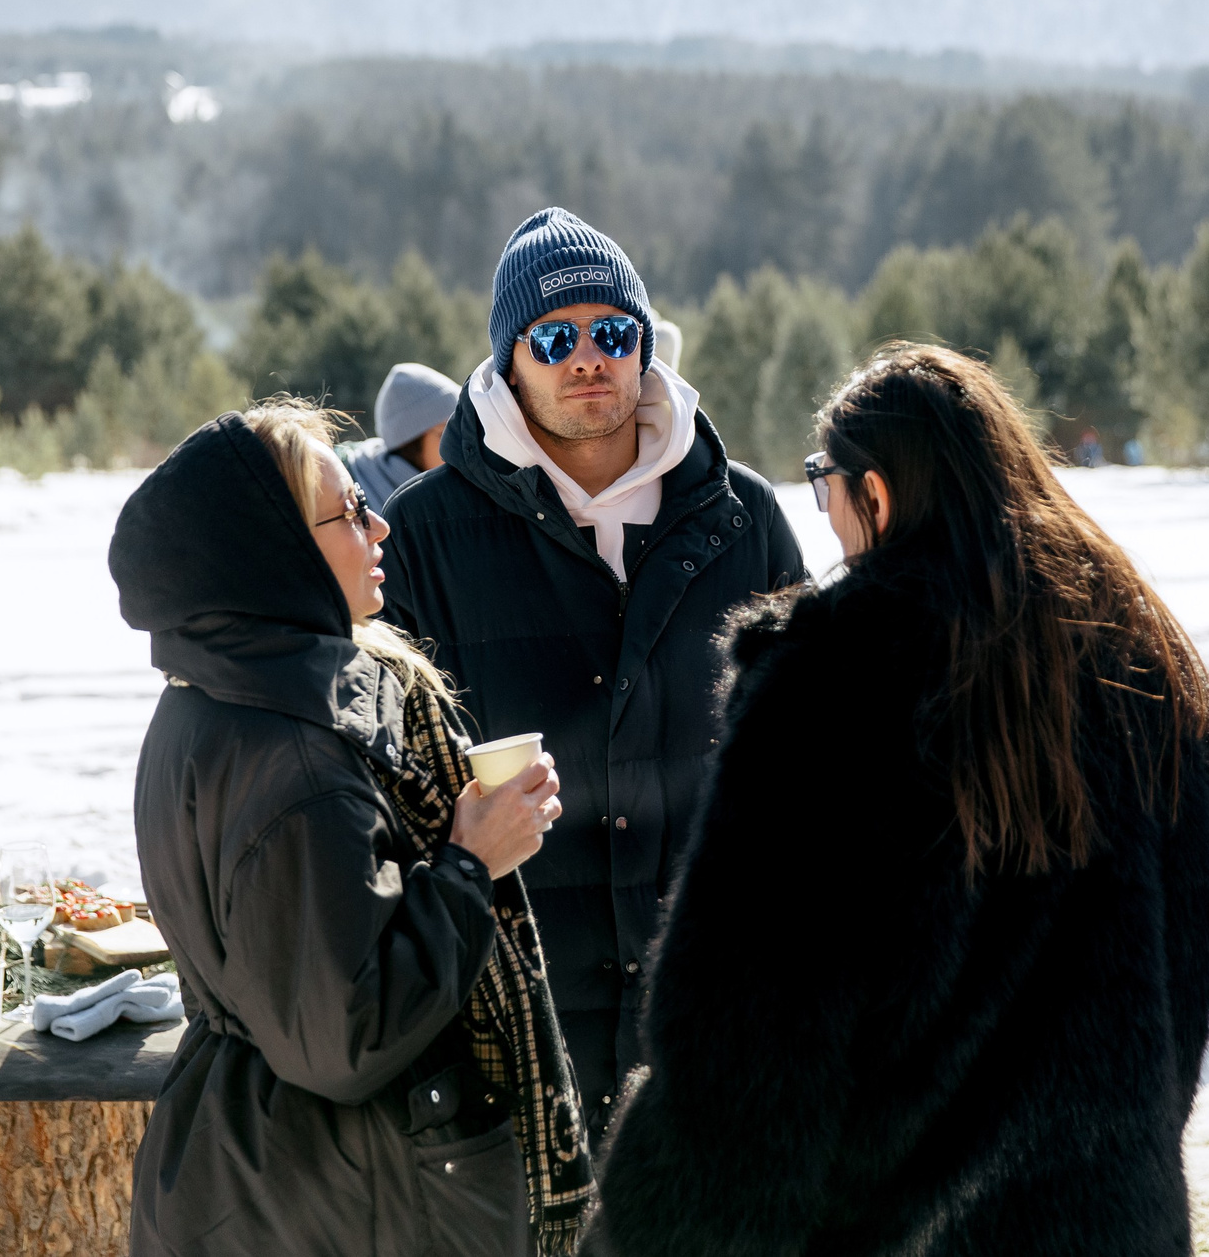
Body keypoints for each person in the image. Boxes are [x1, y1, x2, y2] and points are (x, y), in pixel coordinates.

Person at [582, 345, 1209, 1256]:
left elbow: (747, 1038)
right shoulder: (1140, 654)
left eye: (825, 487)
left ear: (879, 495)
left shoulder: (833, 675)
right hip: (1112, 1215)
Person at [114, 402, 588, 1257]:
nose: (380, 525)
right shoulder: (296, 756)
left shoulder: (206, 697)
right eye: (349, 512)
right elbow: (344, 1034)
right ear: (278, 553)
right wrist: (473, 863)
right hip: (341, 1194)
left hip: (256, 1173)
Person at [381, 208, 805, 1128]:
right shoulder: (421, 534)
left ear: (645, 348)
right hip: (512, 1021)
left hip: (715, 1012)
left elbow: (812, 753)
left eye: (613, 332)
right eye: (555, 337)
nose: (588, 358)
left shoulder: (744, 517)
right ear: (509, 361)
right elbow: (380, 781)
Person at [342, 362, 463, 514]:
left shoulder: (449, 491)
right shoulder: (348, 500)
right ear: (410, 442)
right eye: (445, 433)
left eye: (463, 430)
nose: (459, 444)